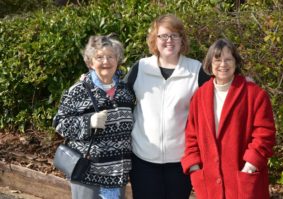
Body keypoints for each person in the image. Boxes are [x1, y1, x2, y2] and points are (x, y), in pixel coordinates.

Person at [125, 14, 210, 199]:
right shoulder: (141, 68)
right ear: (155, 40)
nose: (169, 40)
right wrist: (92, 83)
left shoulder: (195, 70)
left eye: (174, 35)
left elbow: (218, 98)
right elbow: (117, 98)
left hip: (180, 161)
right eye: (163, 36)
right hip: (143, 160)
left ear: (182, 39)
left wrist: (243, 84)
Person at [181, 38, 276, 199]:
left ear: (236, 62)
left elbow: (265, 134)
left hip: (244, 179)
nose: (223, 64)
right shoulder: (199, 96)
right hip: (209, 184)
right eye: (217, 60)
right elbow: (191, 137)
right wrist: (195, 169)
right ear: (210, 64)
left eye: (228, 59)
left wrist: (249, 167)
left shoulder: (255, 94)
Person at [53, 34, 136, 199]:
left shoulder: (126, 91)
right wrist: (88, 122)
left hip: (118, 175)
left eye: (110, 56)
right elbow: (59, 122)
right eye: (99, 57)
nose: (106, 61)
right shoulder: (79, 90)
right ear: (90, 62)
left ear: (117, 60)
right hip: (88, 174)